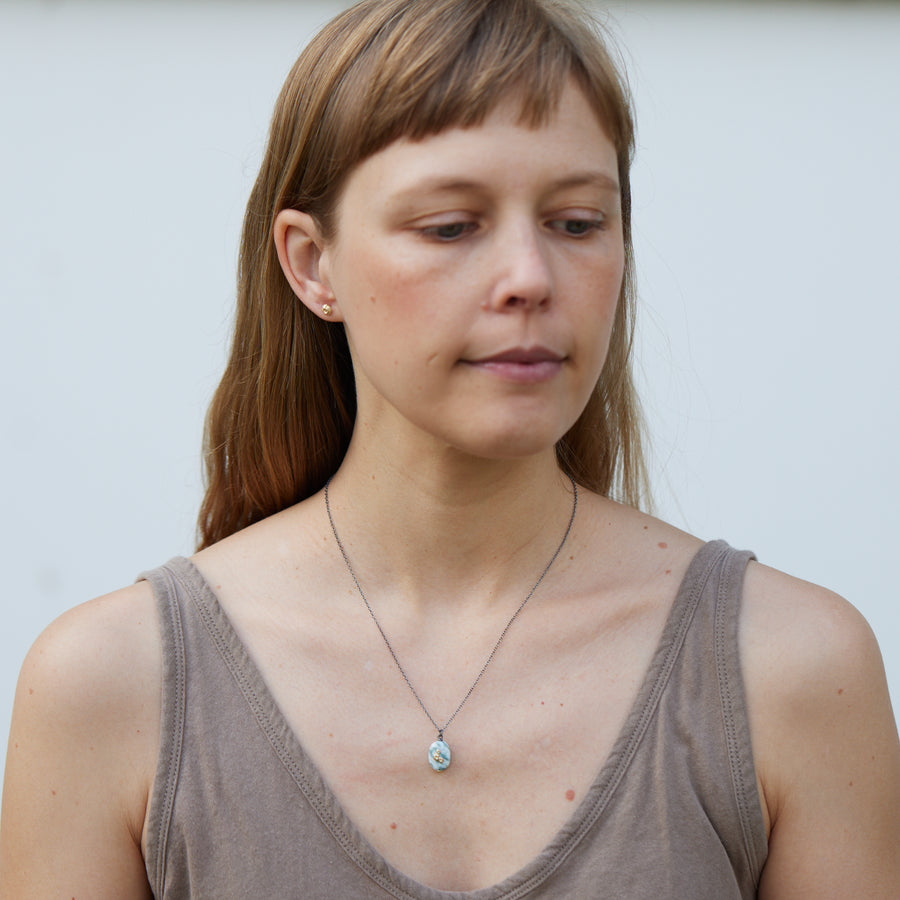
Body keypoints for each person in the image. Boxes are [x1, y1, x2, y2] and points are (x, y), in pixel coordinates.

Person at [1, 0, 898, 896]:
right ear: (313, 264)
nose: (531, 280)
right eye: (450, 226)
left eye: (578, 222)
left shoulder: (792, 672)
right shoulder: (111, 692)